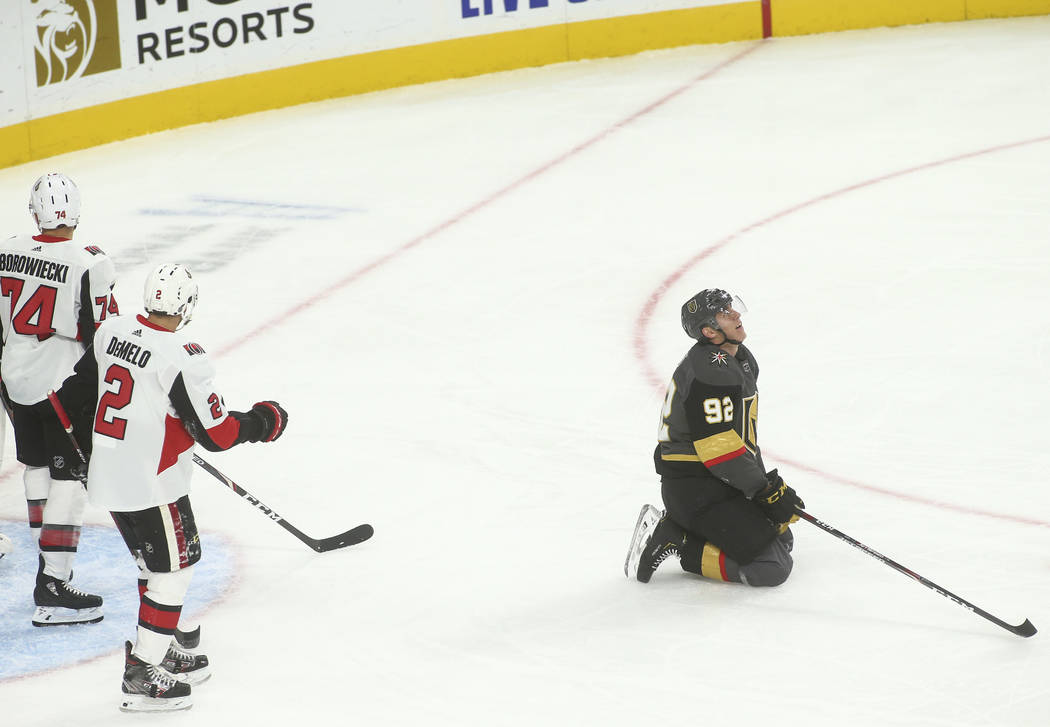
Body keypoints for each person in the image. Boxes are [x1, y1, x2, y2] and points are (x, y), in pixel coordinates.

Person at [51, 262, 288, 711]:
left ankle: (162, 651)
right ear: (188, 305)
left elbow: (72, 395)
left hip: (110, 475)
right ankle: (142, 671)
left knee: (151, 563)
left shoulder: (111, 332)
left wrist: (91, 449)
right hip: (153, 484)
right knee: (174, 571)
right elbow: (216, 434)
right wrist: (263, 422)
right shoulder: (183, 356)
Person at [625, 289, 804, 587]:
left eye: (731, 308)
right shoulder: (711, 370)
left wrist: (766, 486)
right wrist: (762, 490)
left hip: (717, 477)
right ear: (709, 331)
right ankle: (679, 539)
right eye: (724, 313)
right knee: (771, 567)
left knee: (782, 538)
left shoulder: (740, 358)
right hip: (695, 487)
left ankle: (691, 529)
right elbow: (719, 450)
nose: (735, 315)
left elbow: (742, 437)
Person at [0, 172, 118, 625]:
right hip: (64, 387)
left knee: (36, 467)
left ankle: (46, 563)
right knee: (70, 480)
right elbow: (103, 335)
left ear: (35, 212)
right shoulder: (90, 262)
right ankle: (53, 584)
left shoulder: (7, 250)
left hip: (15, 379)